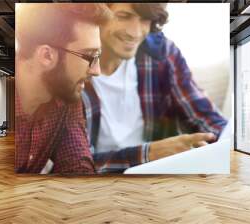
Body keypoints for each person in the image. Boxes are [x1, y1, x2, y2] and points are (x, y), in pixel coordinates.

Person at [82, 3, 228, 173]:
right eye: (123, 16)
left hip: (158, 174)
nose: (135, 32)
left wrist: (229, 143)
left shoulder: (162, 52)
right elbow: (73, 165)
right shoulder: (72, 66)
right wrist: (150, 153)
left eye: (145, 19)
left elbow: (204, 117)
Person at [15, 3, 111, 174]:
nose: (96, 71)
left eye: (98, 57)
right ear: (47, 55)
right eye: (90, 56)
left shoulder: (67, 97)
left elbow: (77, 164)